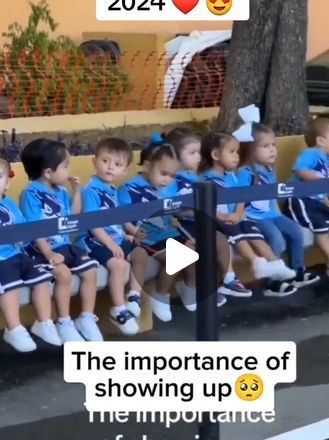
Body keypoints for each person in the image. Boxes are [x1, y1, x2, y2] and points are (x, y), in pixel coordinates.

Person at [152, 128, 252, 304]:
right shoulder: (171, 179)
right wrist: (210, 212)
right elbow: (173, 208)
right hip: (183, 225)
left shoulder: (196, 177)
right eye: (192, 153)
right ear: (175, 155)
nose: (199, 157)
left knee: (221, 240)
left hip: (200, 222)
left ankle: (228, 280)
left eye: (198, 152)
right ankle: (205, 291)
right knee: (203, 247)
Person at [20, 138, 102, 343]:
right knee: (63, 275)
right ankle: (64, 322)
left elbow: (71, 219)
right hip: (40, 249)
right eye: (66, 165)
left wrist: (76, 193)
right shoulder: (31, 194)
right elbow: (34, 228)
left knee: (90, 271)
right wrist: (48, 253)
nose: (69, 170)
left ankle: (86, 318)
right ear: (48, 172)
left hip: (63, 245)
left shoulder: (62, 191)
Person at [199, 131, 298, 296]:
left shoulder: (231, 176)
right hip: (219, 222)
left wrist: (238, 212)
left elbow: (240, 197)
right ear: (216, 155)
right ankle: (256, 262)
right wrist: (224, 217)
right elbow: (206, 206)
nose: (237, 156)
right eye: (232, 152)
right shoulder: (206, 180)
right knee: (238, 233)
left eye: (237, 152)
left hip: (236, 218)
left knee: (255, 234)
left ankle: (275, 264)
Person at [118, 140, 197, 322]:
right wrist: (132, 229)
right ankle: (160, 295)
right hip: (146, 238)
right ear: (147, 166)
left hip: (166, 233)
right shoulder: (129, 188)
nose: (167, 180)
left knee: (194, 250)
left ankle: (189, 287)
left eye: (171, 175)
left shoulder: (163, 189)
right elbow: (120, 217)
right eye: (163, 173)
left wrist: (174, 221)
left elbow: (167, 212)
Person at [78, 138, 149, 336]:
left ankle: (134, 296)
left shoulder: (112, 190)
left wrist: (129, 232)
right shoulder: (91, 190)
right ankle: (118, 309)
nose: (110, 167)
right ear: (94, 162)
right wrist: (110, 242)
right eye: (105, 161)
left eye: (117, 165)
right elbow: (93, 224)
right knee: (119, 264)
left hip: (114, 239)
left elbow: (116, 219)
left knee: (140, 253)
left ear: (124, 171)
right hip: (94, 240)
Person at [236, 122, 319, 288]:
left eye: (273, 144)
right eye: (265, 146)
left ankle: (298, 271)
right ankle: (273, 281)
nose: (272, 149)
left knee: (296, 231)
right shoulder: (244, 172)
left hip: (272, 214)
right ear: (250, 149)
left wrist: (279, 214)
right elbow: (239, 199)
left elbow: (273, 195)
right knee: (275, 237)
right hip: (254, 217)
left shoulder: (269, 170)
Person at [284, 116, 329, 281]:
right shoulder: (311, 153)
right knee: (320, 225)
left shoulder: (326, 160)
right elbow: (299, 170)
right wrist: (320, 179)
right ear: (321, 140)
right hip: (301, 199)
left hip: (317, 200)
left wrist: (327, 202)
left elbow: (323, 189)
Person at [0, 156, 62, 352]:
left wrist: (22, 237)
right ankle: (14, 328)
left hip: (17, 254)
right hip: (1, 260)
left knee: (41, 279)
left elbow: (22, 227)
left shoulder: (8, 203)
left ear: (7, 183)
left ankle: (44, 323)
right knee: (10, 286)